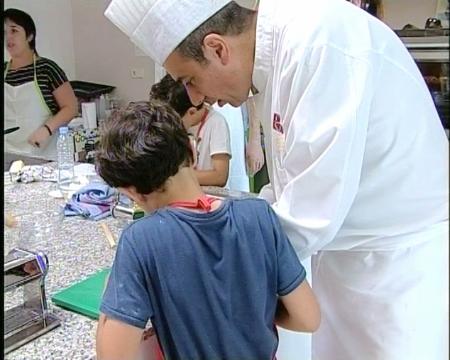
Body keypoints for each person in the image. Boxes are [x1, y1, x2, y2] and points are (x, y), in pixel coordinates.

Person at [105, 1, 449, 359]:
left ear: (217, 48)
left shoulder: (319, 41)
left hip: (395, 273)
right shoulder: (276, 60)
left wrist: (197, 255)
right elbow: (286, 187)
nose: (194, 97)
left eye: (189, 79)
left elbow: (312, 212)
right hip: (342, 264)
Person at [95, 101, 320, 359]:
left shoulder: (141, 241)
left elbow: (112, 356)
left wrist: (112, 291)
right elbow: (308, 318)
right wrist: (253, 305)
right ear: (191, 151)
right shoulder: (258, 215)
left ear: (131, 192)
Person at [4, 8, 78, 161]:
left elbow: (71, 107)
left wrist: (46, 129)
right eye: (4, 33)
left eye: (14, 31)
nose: (8, 37)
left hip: (44, 157)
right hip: (9, 155)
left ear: (30, 36)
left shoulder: (47, 69)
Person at [150, 74, 232, 186]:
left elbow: (219, 177)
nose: (171, 125)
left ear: (192, 112)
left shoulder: (216, 123)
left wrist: (172, 177)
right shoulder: (176, 124)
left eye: (175, 121)